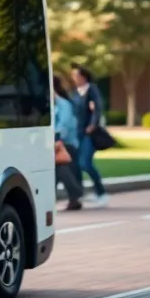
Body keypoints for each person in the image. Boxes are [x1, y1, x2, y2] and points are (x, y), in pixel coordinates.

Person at [71, 64, 108, 207]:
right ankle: (80, 194)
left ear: (83, 76)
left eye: (76, 75)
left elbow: (97, 109)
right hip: (77, 132)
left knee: (85, 163)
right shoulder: (75, 92)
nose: (74, 78)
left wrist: (92, 125)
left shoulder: (92, 90)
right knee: (77, 164)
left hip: (89, 133)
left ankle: (102, 193)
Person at [53, 76, 84, 211]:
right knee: (58, 172)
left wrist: (57, 138)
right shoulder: (53, 105)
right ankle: (74, 197)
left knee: (63, 171)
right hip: (58, 143)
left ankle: (75, 195)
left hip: (66, 144)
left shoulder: (63, 104)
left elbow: (64, 125)